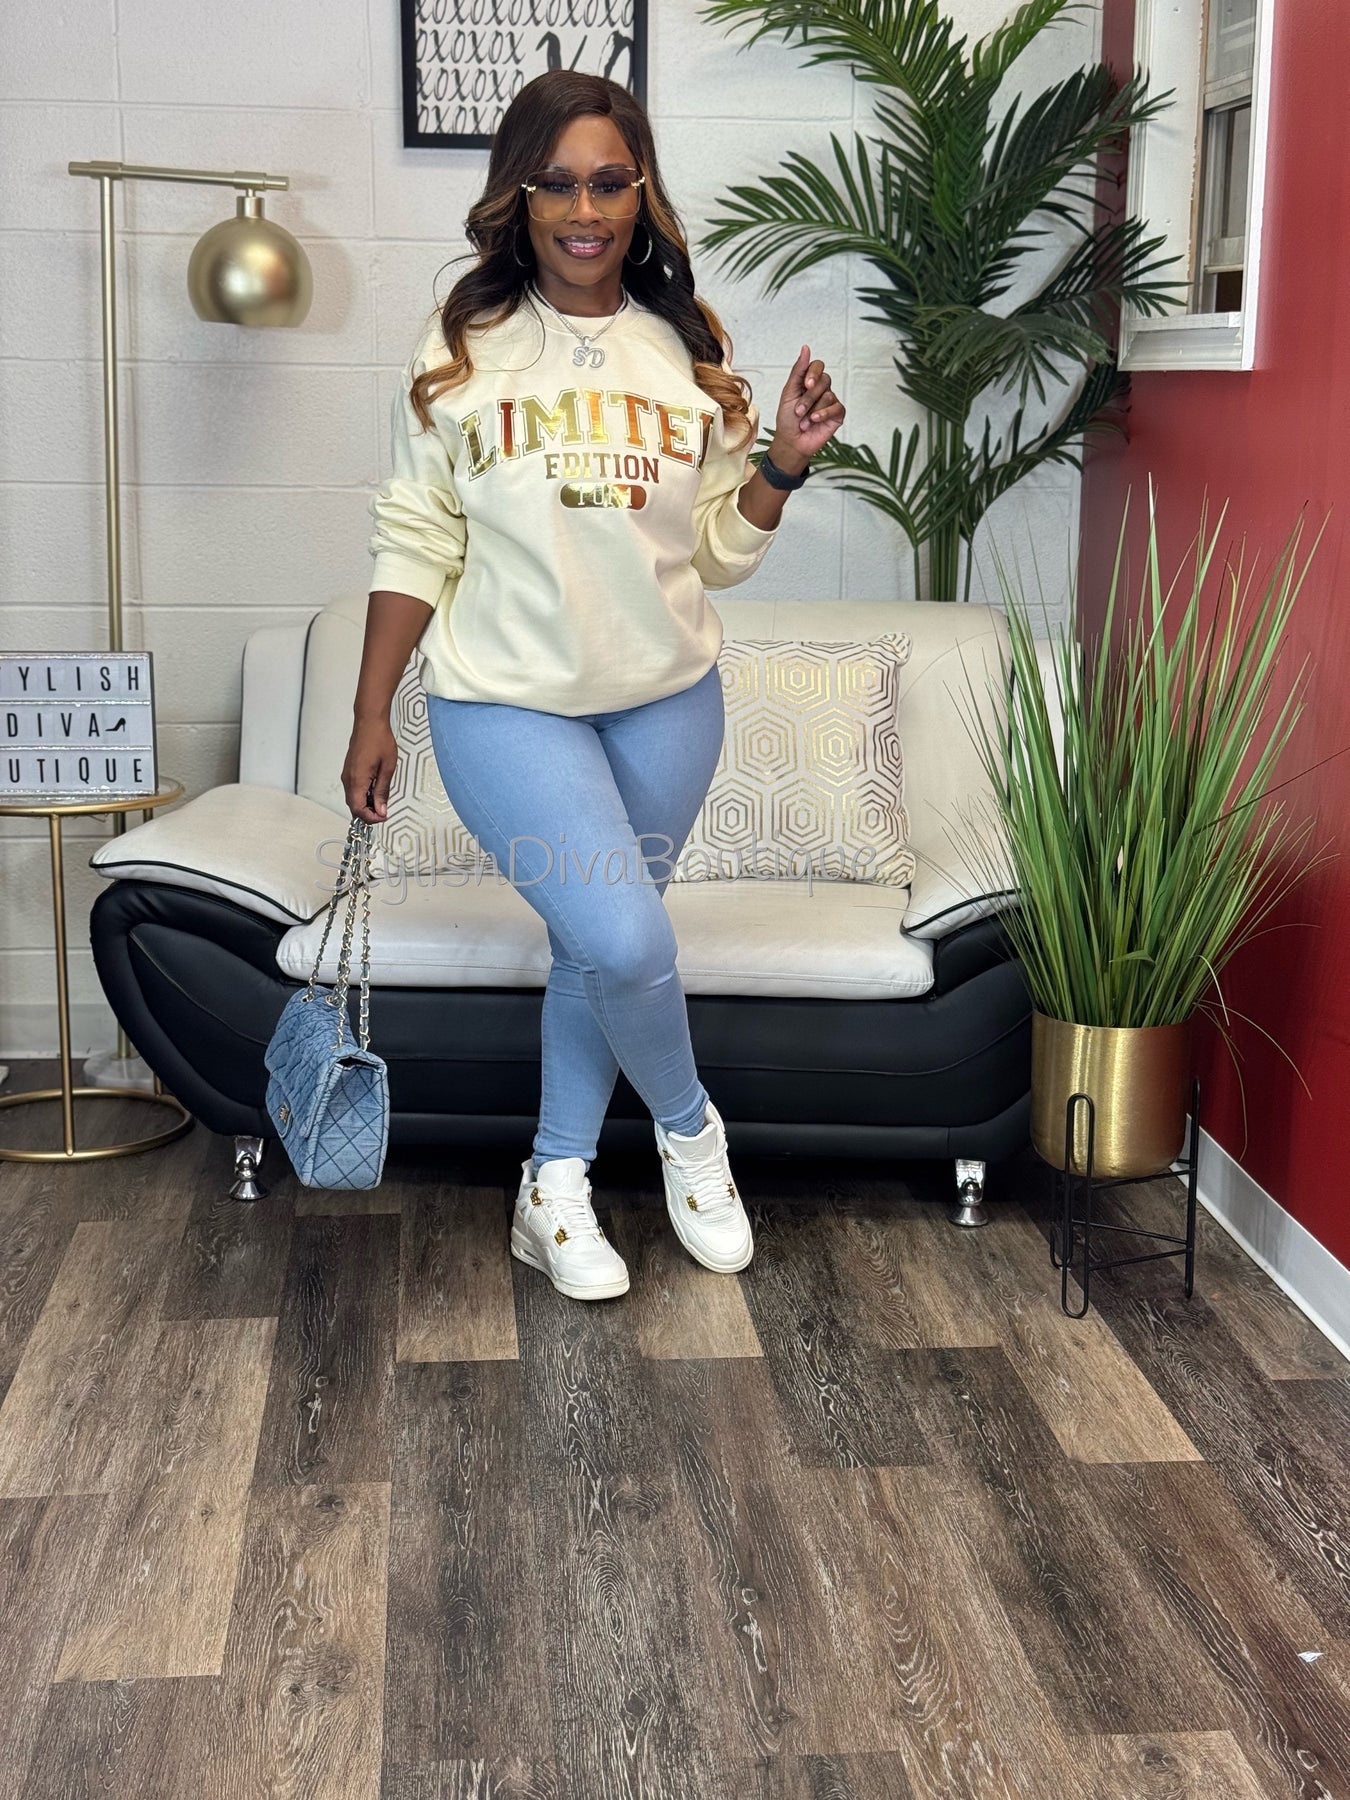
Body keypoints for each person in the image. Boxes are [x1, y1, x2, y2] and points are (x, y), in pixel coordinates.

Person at [342, 68, 844, 1303]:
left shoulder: (687, 346)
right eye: (556, 184)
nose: (584, 210)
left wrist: (781, 464)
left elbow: (715, 549)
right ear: (517, 198)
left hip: (667, 698)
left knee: (593, 948)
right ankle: (693, 1133)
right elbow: (416, 535)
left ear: (641, 193)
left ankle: (553, 1185)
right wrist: (370, 710)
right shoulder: (458, 351)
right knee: (624, 934)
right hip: (504, 702)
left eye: (609, 183)